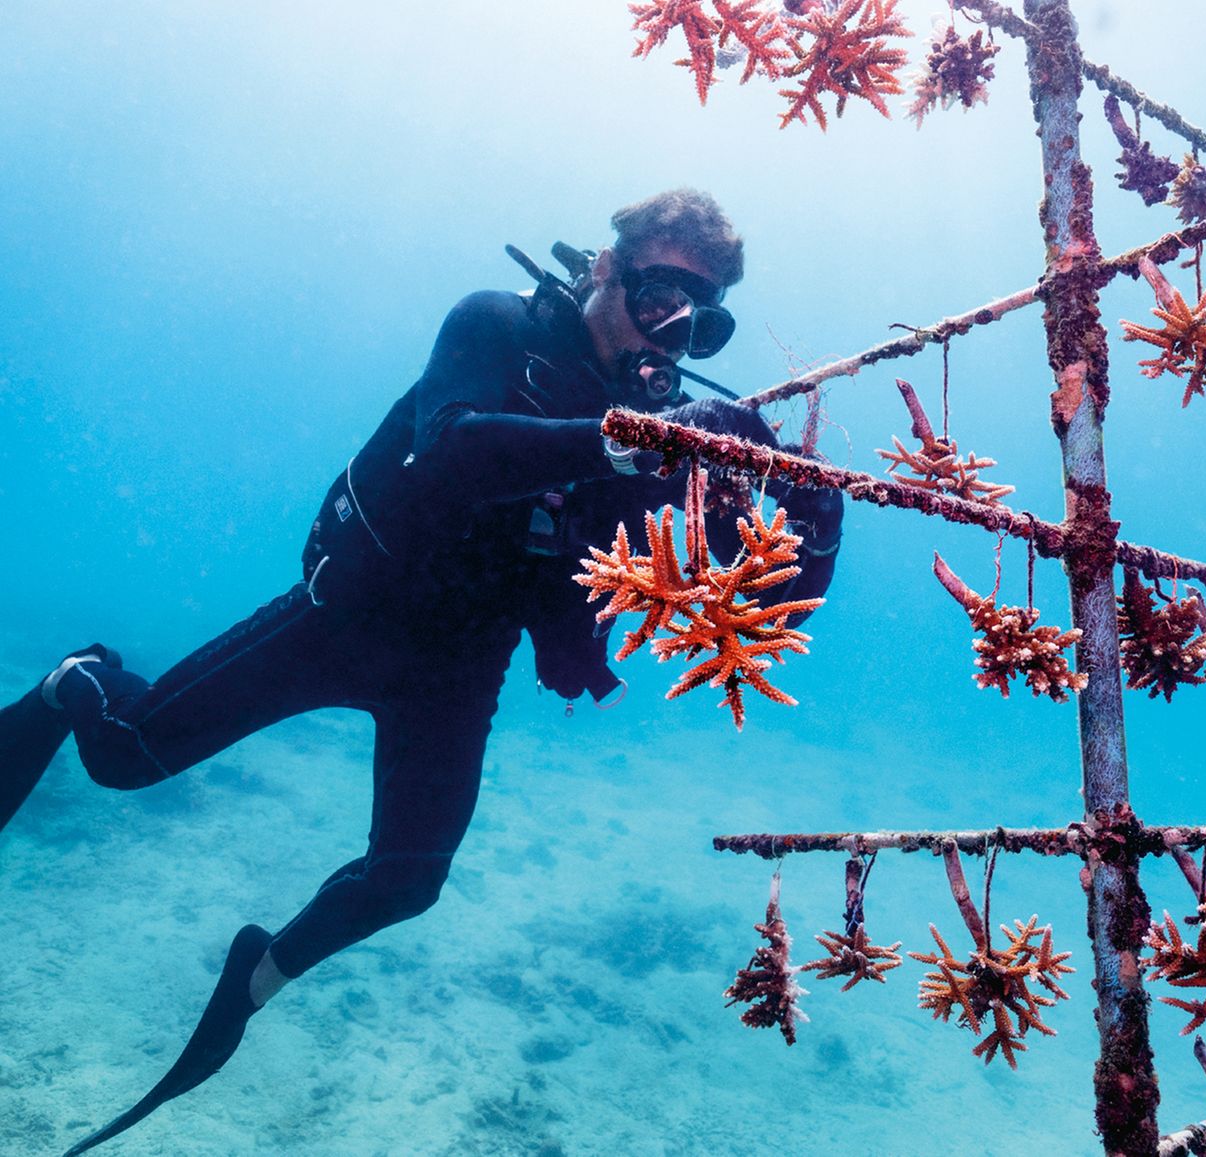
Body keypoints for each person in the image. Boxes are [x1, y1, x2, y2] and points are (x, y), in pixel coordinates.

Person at [0, 188, 843, 1154]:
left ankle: (254, 981)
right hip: (352, 612)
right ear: (607, 270)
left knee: (407, 879)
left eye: (702, 322)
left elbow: (757, 604)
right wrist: (628, 440)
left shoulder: (668, 430)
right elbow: (450, 447)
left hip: (459, 664)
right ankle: (80, 678)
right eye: (660, 299)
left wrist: (814, 529)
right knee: (124, 758)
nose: (674, 334)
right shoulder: (496, 327)